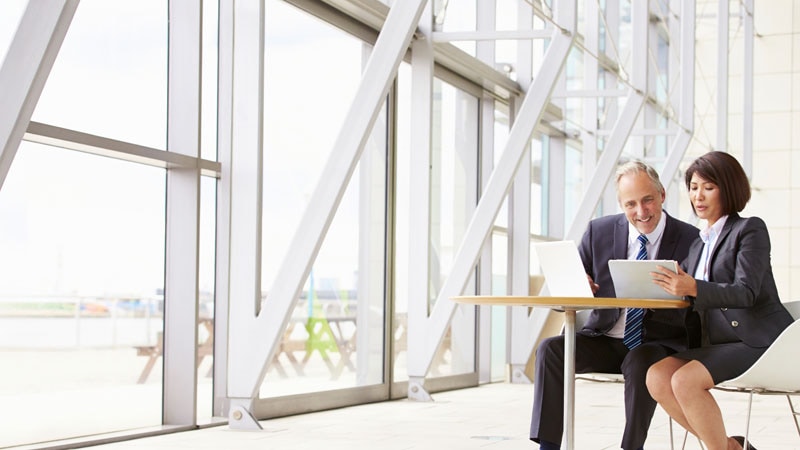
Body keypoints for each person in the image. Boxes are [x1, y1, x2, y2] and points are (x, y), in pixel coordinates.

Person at [530, 160, 701, 450]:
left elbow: (700, 299)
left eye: (647, 200)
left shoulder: (691, 239)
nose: (641, 211)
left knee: (639, 361)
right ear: (621, 204)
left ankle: (631, 447)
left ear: (662, 195)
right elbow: (567, 290)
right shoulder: (598, 231)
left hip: (658, 343)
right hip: (605, 337)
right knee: (551, 349)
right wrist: (578, 287)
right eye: (631, 204)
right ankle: (548, 447)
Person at [645, 151, 794, 450]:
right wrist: (656, 292)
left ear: (728, 188)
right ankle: (730, 447)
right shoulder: (698, 245)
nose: (698, 196)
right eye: (693, 187)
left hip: (758, 341)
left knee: (685, 381)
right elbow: (692, 299)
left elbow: (746, 292)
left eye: (708, 187)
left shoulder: (749, 230)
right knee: (657, 376)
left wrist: (693, 286)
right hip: (718, 343)